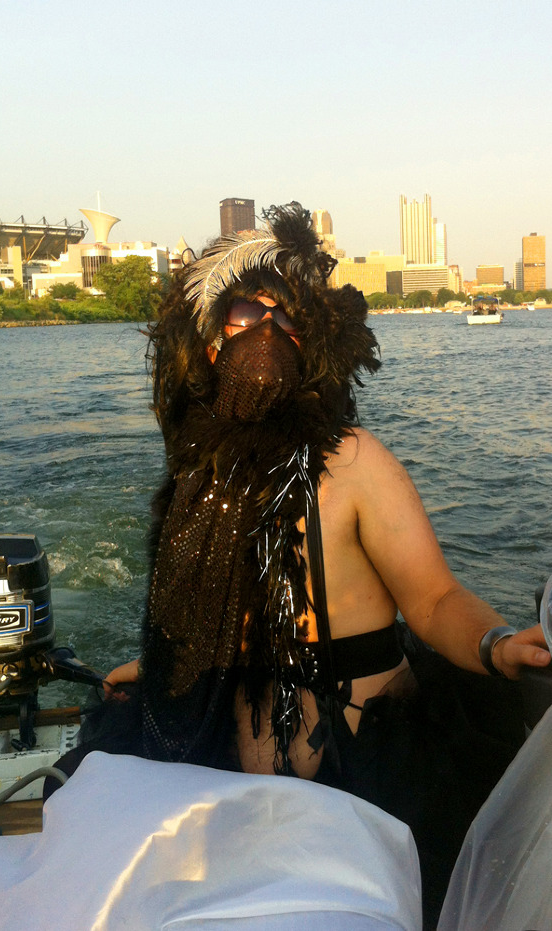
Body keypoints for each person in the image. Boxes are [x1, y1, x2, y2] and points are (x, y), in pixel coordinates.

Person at [67, 204, 550, 924]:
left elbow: (434, 600)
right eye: (246, 310)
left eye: (288, 317)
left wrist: (495, 644)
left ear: (313, 344)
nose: (267, 328)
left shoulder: (353, 461)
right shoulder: (201, 474)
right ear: (209, 340)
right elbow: (215, 608)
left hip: (370, 781)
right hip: (226, 782)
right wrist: (165, 667)